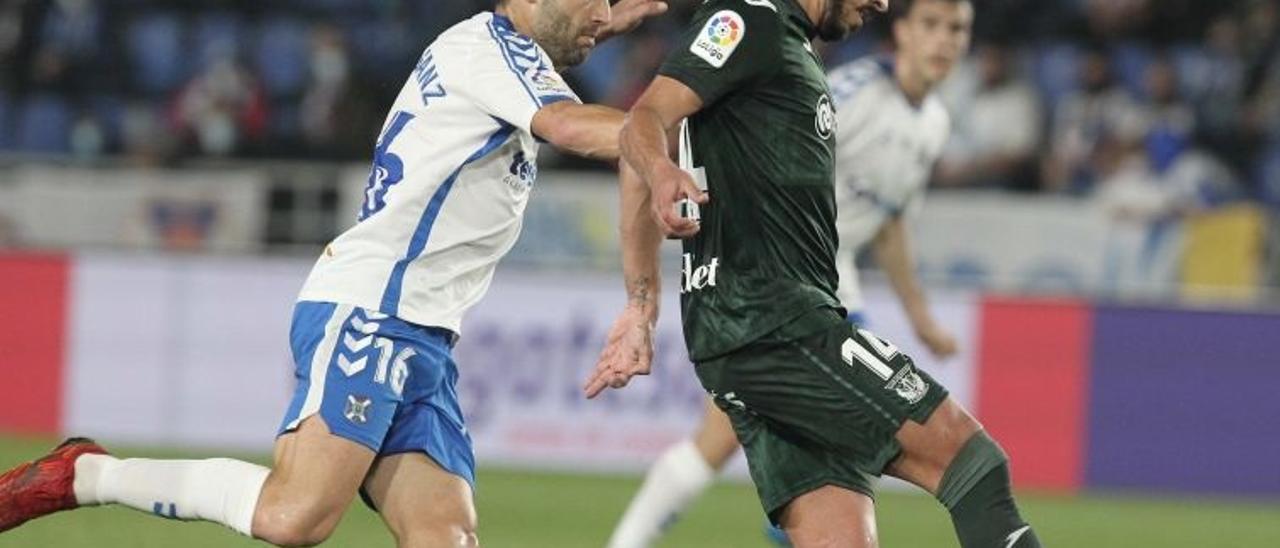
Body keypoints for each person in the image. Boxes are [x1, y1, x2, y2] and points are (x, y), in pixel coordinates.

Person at [0, 0, 666, 546]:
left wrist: (599, 20)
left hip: (426, 338)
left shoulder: (507, 55)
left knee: (446, 539)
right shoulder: (490, 52)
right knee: (293, 517)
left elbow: (563, 47)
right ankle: (86, 475)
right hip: (371, 311)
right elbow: (576, 128)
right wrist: (680, 139)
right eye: (595, 0)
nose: (602, 17)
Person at [585, 0, 1042, 547]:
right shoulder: (748, 20)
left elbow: (890, 222)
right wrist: (659, 180)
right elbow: (646, 121)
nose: (881, 3)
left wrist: (642, 306)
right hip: (773, 320)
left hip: (768, 324)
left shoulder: (796, 49)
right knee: (973, 462)